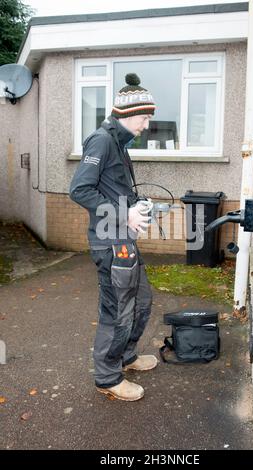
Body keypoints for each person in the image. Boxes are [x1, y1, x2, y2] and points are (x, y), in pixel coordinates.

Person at [69, 73, 158, 401]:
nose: (146, 126)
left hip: (124, 238)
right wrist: (124, 214)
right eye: (145, 118)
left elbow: (114, 188)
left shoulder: (119, 144)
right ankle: (107, 377)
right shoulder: (102, 140)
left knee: (142, 302)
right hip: (109, 242)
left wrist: (137, 206)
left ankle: (126, 356)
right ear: (130, 114)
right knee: (117, 310)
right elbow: (79, 189)